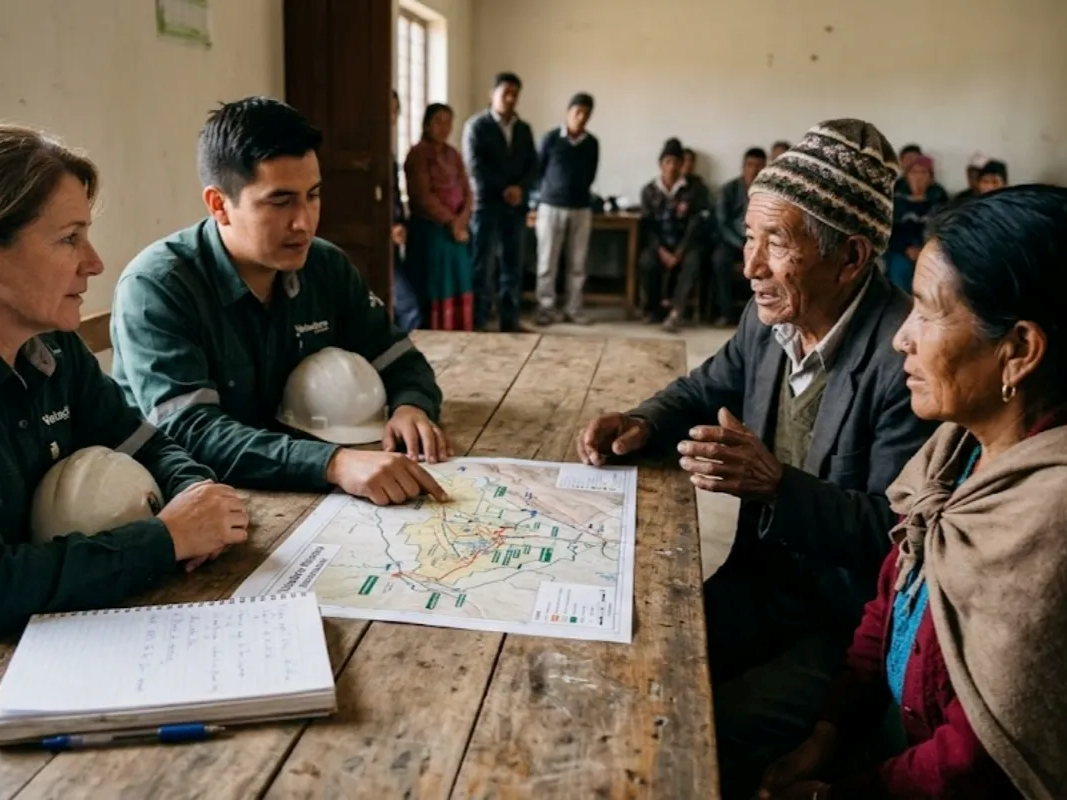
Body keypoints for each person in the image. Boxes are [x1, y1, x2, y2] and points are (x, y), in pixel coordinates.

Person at [575, 120, 938, 800]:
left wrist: (775, 486)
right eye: (749, 236)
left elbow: (893, 539)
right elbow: (707, 385)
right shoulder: (767, 316)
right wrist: (640, 422)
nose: (749, 267)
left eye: (776, 243)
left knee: (709, 726)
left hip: (839, 624)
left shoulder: (902, 358)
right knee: (635, 664)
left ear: (851, 256)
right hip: (757, 584)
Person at [759, 185, 1067, 799]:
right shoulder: (957, 448)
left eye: (927, 313)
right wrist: (828, 731)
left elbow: (974, 759)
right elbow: (890, 600)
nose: (902, 337)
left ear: (1020, 351)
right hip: (886, 738)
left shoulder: (1049, 518)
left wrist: (841, 791)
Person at [110, 97, 449, 506]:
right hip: (194, 503)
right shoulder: (157, 286)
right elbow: (190, 431)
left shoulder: (324, 265)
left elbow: (398, 359)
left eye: (313, 195)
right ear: (219, 205)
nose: (304, 221)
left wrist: (412, 406)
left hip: (299, 495)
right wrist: (335, 464)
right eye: (280, 200)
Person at [0, 126, 249, 631]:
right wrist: (165, 540)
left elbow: (142, 442)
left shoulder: (55, 345)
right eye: (70, 238)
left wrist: (195, 494)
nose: (94, 263)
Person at [462, 72, 538, 333]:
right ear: (491, 94)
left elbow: (532, 165)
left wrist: (520, 189)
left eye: (514, 94)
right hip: (486, 205)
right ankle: (480, 321)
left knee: (513, 264)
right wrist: (504, 189)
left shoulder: (523, 129)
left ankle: (510, 320)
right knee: (482, 265)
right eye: (505, 92)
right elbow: (475, 166)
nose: (510, 98)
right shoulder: (477, 126)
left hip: (515, 207)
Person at [404, 103, 474, 331]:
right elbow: (423, 196)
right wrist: (450, 221)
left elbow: (466, 189)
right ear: (426, 124)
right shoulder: (418, 154)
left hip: (457, 230)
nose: (444, 128)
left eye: (448, 122)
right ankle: (434, 331)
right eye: (438, 122)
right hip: (431, 230)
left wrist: (462, 219)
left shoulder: (453, 154)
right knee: (436, 283)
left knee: (460, 279)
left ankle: (459, 329)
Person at [534, 92, 599, 327]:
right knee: (547, 261)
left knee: (578, 263)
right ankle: (545, 308)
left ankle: (574, 308)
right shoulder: (551, 139)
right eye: (577, 112)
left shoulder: (592, 143)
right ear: (568, 112)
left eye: (586, 114)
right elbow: (537, 171)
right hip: (551, 206)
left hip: (581, 208)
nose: (581, 118)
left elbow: (590, 174)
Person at [637, 138, 708, 333]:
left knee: (693, 261)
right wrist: (661, 251)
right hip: (659, 246)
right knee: (646, 262)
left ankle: (676, 311)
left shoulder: (694, 189)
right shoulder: (649, 190)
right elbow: (648, 226)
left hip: (684, 245)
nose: (672, 167)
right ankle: (654, 309)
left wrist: (680, 251)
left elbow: (696, 223)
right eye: (668, 162)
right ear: (661, 164)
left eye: (677, 162)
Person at [711, 147, 766, 326]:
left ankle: (760, 316)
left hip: (761, 243)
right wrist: (742, 245)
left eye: (759, 166)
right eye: (750, 165)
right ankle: (726, 313)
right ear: (743, 167)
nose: (754, 170)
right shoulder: (729, 189)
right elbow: (722, 223)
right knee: (719, 259)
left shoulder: (768, 192)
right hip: (733, 241)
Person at [887, 155, 944, 294]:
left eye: (923, 172)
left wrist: (924, 249)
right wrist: (906, 248)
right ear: (906, 176)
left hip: (930, 249)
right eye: (914, 172)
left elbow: (944, 230)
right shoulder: (896, 199)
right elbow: (889, 231)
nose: (918, 177)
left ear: (931, 178)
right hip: (901, 250)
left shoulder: (939, 199)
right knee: (899, 269)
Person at [390, 89, 420, 332]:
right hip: (375, 240)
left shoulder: (386, 149)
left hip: (395, 236)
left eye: (394, 110)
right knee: (409, 306)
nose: (391, 116)